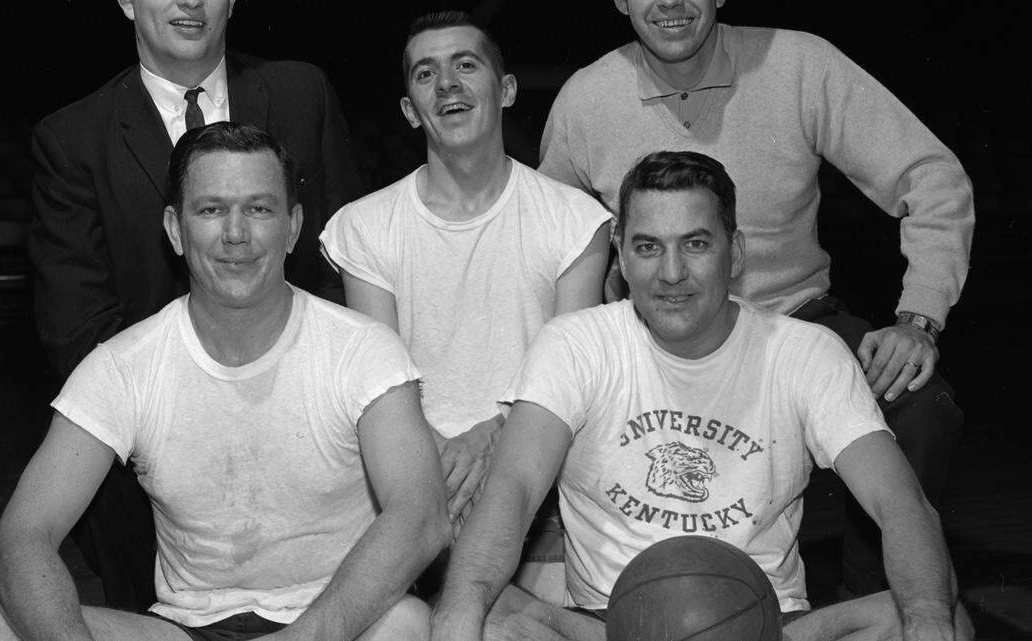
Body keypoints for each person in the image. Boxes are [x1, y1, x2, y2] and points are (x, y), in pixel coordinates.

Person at [430, 151, 972, 641]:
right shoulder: (576, 343)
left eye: (695, 243)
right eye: (648, 247)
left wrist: (927, 625)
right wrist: (457, 622)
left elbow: (901, 504)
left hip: (767, 623)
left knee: (933, 614)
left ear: (734, 253)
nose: (671, 274)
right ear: (620, 254)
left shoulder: (804, 352)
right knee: (484, 609)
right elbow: (513, 487)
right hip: (610, 624)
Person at [538, 0, 972, 597]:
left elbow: (933, 177)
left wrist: (919, 316)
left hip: (791, 322)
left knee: (921, 407)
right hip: (655, 334)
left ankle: (872, 606)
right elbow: (545, 242)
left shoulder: (800, 64)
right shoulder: (586, 98)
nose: (668, 4)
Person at [0, 123, 450, 641]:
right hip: (188, 627)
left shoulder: (363, 349)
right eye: (211, 209)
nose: (236, 233)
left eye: (259, 209)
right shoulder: (124, 366)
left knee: (406, 623)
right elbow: (19, 540)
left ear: (292, 227)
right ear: (175, 229)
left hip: (330, 622)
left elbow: (421, 515)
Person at [29, 0, 360, 608]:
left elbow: (344, 264)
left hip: (314, 447)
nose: (190, 2)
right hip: (153, 476)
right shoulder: (72, 137)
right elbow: (77, 328)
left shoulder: (301, 92)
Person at [319, 11, 611, 529]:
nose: (448, 84)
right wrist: (444, 472)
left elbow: (570, 379)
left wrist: (488, 439)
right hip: (415, 487)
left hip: (543, 487)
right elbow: (384, 385)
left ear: (508, 90)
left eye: (466, 65)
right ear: (411, 111)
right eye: (426, 74)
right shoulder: (362, 227)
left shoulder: (578, 222)